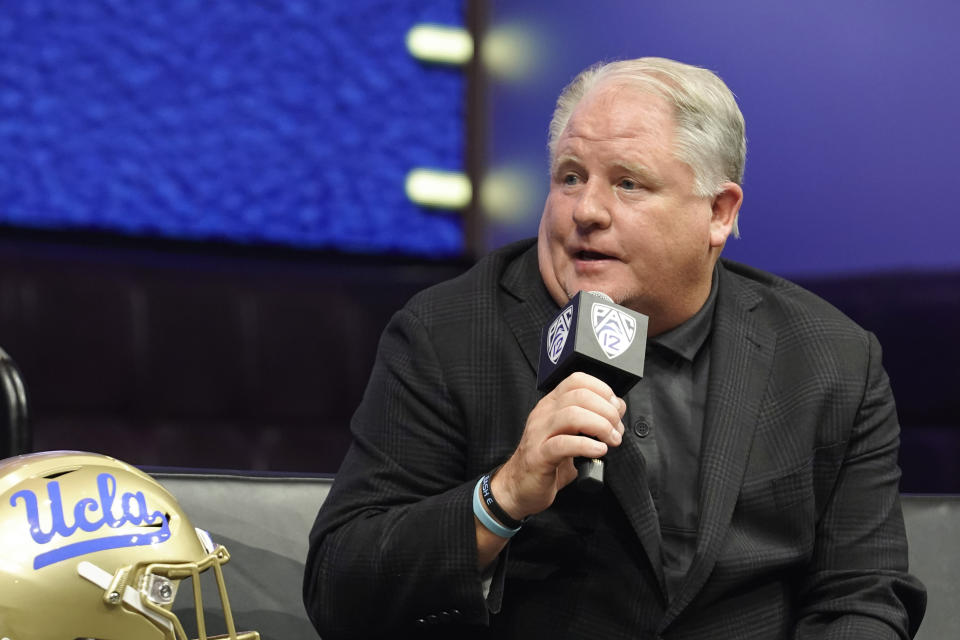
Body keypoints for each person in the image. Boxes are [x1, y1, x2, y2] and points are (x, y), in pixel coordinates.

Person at [303, 57, 926, 638]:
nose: (587, 211)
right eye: (570, 177)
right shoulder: (447, 333)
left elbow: (862, 595)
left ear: (718, 212)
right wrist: (503, 495)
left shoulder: (830, 359)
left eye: (628, 184)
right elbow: (339, 587)